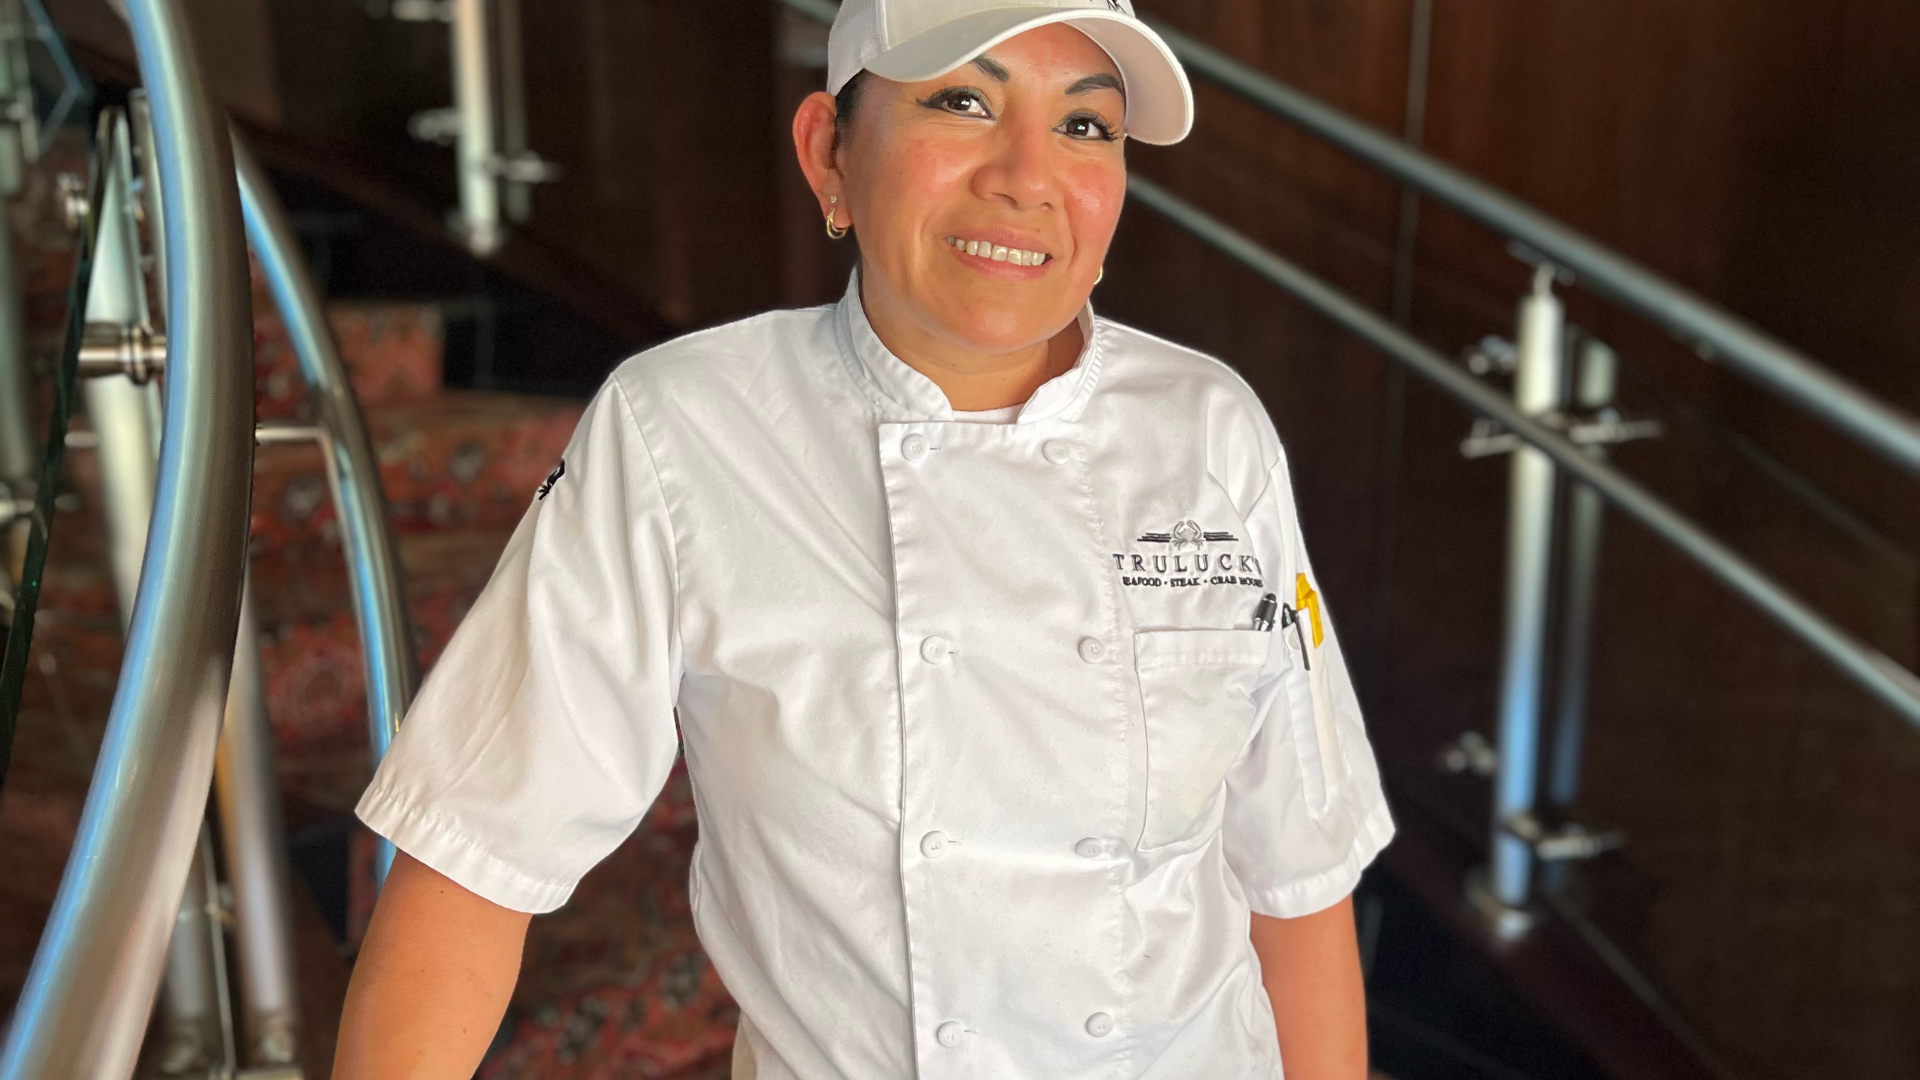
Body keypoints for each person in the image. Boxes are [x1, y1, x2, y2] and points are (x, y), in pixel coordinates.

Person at [333, 1, 1393, 1077]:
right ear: (829, 155)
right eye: (962, 102)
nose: (1028, 176)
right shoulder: (686, 430)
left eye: (1085, 127)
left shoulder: (1210, 425)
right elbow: (472, 861)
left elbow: (1297, 880)